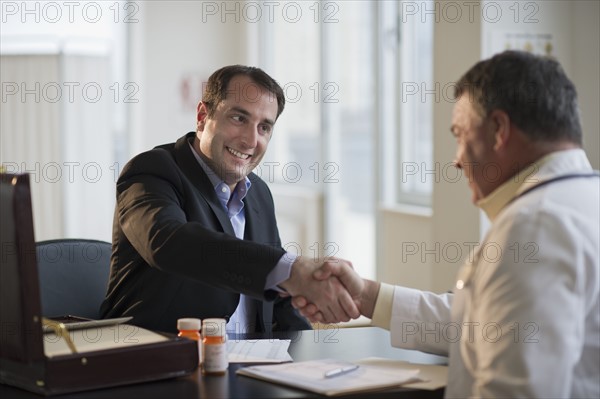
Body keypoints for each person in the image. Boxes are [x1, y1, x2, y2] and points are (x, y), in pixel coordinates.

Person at [293, 51, 600, 398]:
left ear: (499, 130)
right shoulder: (580, 204)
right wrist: (366, 296)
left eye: (459, 133)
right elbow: (483, 326)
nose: (456, 160)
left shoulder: (535, 226)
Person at [100, 65, 359, 334]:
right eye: (238, 118)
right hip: (156, 361)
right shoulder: (153, 171)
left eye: (264, 127)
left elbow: (279, 305)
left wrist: (311, 360)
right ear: (202, 116)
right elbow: (168, 243)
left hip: (249, 364)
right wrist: (292, 270)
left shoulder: (259, 193)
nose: (251, 140)